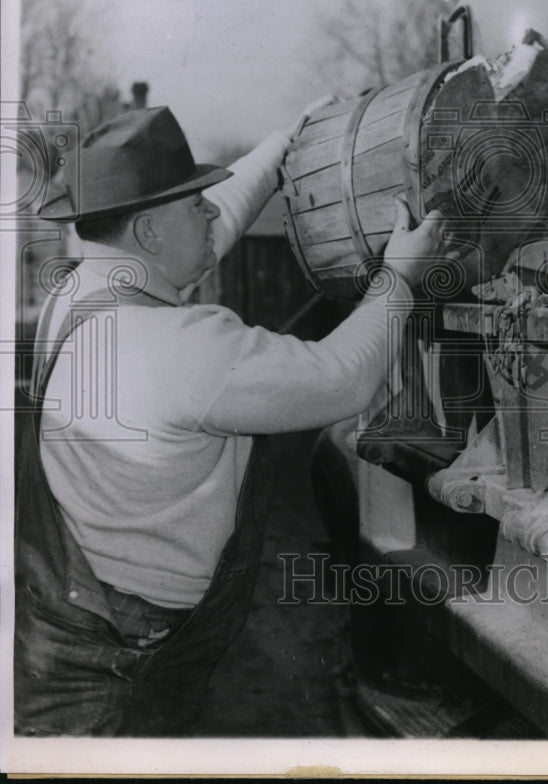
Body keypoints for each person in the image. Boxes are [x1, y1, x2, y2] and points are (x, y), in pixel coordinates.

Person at [15, 105, 446, 736]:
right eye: (195, 204)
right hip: (123, 663)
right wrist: (400, 278)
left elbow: (212, 234)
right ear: (149, 232)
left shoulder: (82, 290)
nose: (214, 212)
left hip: (67, 621)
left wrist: (280, 143)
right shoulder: (183, 345)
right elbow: (342, 378)